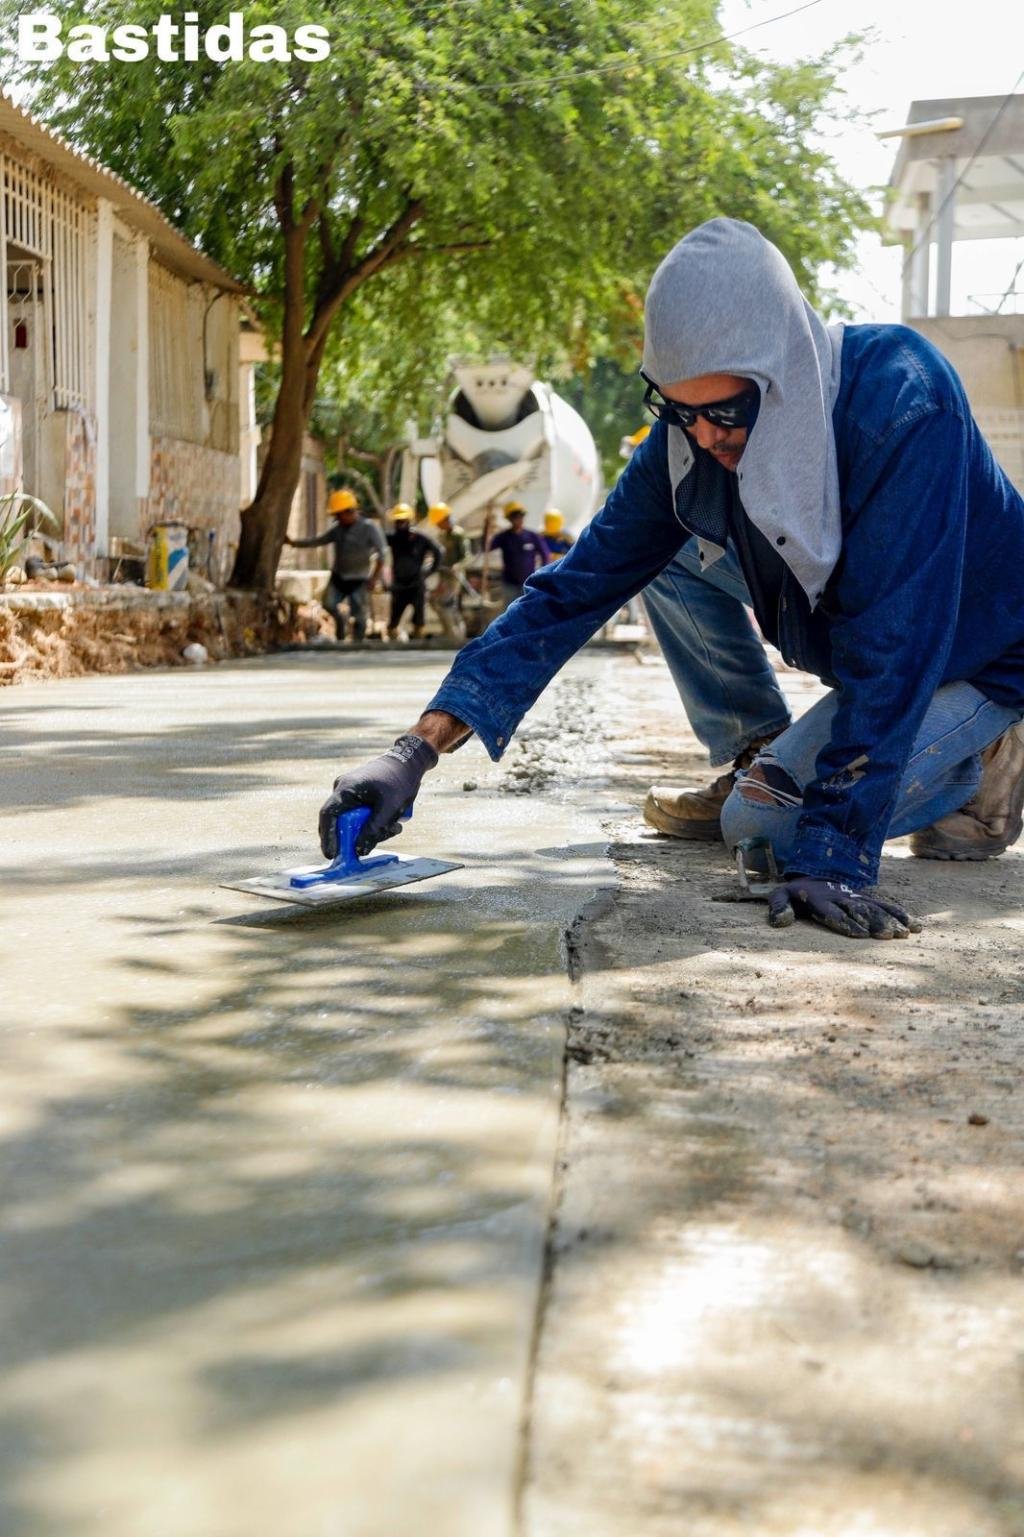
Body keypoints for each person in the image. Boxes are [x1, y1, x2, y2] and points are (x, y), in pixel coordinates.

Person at [313, 218, 1024, 942]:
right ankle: (759, 746)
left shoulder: (906, 402)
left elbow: (896, 652)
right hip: (880, 653)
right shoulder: (691, 444)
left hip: (978, 653)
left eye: (726, 413)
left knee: (761, 826)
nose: (705, 439)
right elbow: (576, 586)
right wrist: (415, 750)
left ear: (785, 375)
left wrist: (834, 852)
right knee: (670, 548)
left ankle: (981, 759)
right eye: (678, 411)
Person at [284, 488, 388, 642]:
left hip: (359, 579)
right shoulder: (338, 530)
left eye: (339, 515)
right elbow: (318, 540)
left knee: (359, 614)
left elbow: (382, 554)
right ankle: (340, 625)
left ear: (350, 511)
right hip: (339, 577)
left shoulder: (369, 528)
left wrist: (374, 578)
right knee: (329, 603)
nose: (337, 518)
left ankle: (358, 644)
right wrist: (293, 543)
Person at [387, 504, 440, 640]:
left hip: (416, 583)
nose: (400, 525)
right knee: (395, 616)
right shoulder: (393, 539)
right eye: (397, 521)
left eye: (403, 521)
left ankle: (418, 641)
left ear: (409, 521)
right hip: (399, 584)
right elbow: (378, 545)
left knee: (419, 617)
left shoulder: (420, 539)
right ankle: (393, 638)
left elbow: (438, 552)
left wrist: (430, 571)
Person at [490, 502, 550, 607]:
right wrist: (487, 528)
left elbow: (545, 555)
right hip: (509, 584)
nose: (519, 519)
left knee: (530, 611)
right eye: (515, 517)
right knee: (510, 613)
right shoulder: (503, 537)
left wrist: (542, 575)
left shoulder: (532, 536)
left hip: (529, 584)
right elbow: (487, 547)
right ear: (509, 519)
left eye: (520, 516)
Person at [426, 502, 470, 643]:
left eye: (439, 523)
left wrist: (457, 566)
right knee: (434, 601)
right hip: (443, 575)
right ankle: (450, 632)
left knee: (446, 603)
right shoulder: (443, 535)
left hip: (453, 577)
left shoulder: (458, 534)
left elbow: (467, 556)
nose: (438, 526)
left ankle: (454, 636)